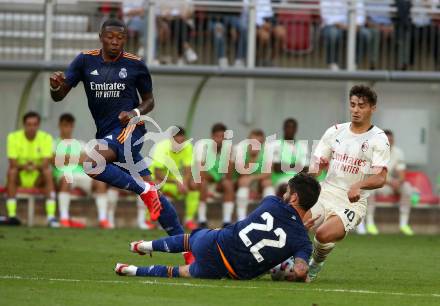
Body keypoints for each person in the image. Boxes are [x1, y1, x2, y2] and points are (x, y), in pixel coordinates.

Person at [49, 18, 192, 263]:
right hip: (107, 134)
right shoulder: (85, 60)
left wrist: (135, 113)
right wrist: (55, 88)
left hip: (130, 129)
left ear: (125, 39)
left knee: (91, 163)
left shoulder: (136, 64)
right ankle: (189, 251)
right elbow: (59, 96)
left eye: (120, 38)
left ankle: (142, 190)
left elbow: (149, 101)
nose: (115, 42)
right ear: (101, 37)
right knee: (155, 193)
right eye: (110, 37)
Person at [114, 173, 321, 281]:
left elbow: (279, 222)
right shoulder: (302, 242)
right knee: (181, 272)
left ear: (293, 197)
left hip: (216, 241)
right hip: (226, 269)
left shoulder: (271, 201)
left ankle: (143, 246)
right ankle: (131, 270)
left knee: (189, 239)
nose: (284, 194)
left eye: (288, 192)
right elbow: (301, 270)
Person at [306, 85, 390, 281]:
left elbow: (380, 177)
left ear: (372, 108)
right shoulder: (335, 131)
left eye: (361, 106)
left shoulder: (379, 139)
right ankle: (289, 264)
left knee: (323, 235)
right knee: (298, 224)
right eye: (352, 105)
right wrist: (305, 180)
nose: (355, 110)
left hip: (352, 202)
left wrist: (358, 186)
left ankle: (315, 265)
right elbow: (316, 166)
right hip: (325, 193)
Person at [53, 113, 111, 229]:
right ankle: (64, 219)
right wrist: (76, 158)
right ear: (59, 126)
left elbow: (87, 160)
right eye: (65, 125)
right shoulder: (54, 143)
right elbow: (54, 160)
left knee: (100, 182)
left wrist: (66, 158)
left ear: (72, 126)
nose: (67, 129)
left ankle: (103, 220)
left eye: (69, 126)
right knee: (66, 180)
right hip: (65, 175)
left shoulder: (80, 143)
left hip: (83, 175)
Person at [358, 130, 414, 236]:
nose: (389, 142)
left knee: (407, 187)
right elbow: (375, 174)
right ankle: (370, 223)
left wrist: (399, 181)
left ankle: (403, 224)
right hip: (376, 184)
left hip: (389, 185)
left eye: (391, 140)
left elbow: (401, 172)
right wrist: (391, 182)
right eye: (386, 140)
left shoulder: (398, 152)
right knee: (369, 190)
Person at [6, 111, 57, 227]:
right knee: (12, 171)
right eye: (29, 124)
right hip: (20, 177)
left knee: (48, 172)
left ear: (38, 125)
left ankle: (51, 217)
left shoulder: (46, 138)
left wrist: (32, 166)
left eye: (35, 124)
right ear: (24, 125)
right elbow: (12, 163)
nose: (32, 127)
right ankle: (12, 215)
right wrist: (27, 166)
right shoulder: (13, 137)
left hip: (37, 178)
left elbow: (45, 163)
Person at [151, 127, 200, 230]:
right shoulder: (161, 147)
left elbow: (188, 169)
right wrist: (176, 181)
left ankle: (189, 220)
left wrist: (184, 183)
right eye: (177, 142)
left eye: (182, 142)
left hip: (174, 180)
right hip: (158, 178)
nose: (180, 145)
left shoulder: (188, 147)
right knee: (155, 185)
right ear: (171, 139)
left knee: (194, 184)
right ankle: (150, 220)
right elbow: (157, 173)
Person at [196, 123, 235, 228]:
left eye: (222, 137)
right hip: (203, 181)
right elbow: (200, 173)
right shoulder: (203, 147)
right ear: (212, 137)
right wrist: (213, 178)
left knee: (228, 184)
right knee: (202, 183)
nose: (220, 140)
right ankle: (202, 220)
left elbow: (228, 176)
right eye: (217, 136)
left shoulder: (230, 150)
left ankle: (227, 221)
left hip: (218, 183)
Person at [320, 0, 375, 70]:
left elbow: (361, 15)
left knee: (366, 34)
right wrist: (342, 25)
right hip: (333, 25)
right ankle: (332, 63)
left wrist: (356, 24)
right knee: (333, 34)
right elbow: (326, 16)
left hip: (353, 25)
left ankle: (354, 63)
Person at [235, 129, 274, 221]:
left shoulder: (267, 150)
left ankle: (269, 216)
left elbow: (268, 173)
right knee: (243, 180)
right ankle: (241, 218)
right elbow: (242, 172)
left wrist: (253, 178)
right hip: (241, 180)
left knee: (267, 182)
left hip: (257, 180)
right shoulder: (241, 149)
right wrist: (252, 157)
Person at [270, 118, 308, 188]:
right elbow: (277, 168)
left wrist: (286, 165)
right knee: (288, 187)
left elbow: (305, 169)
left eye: (292, 127)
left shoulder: (303, 146)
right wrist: (296, 166)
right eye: (288, 127)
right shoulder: (276, 145)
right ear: (284, 128)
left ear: (296, 129)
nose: (290, 130)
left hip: (298, 180)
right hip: (280, 180)